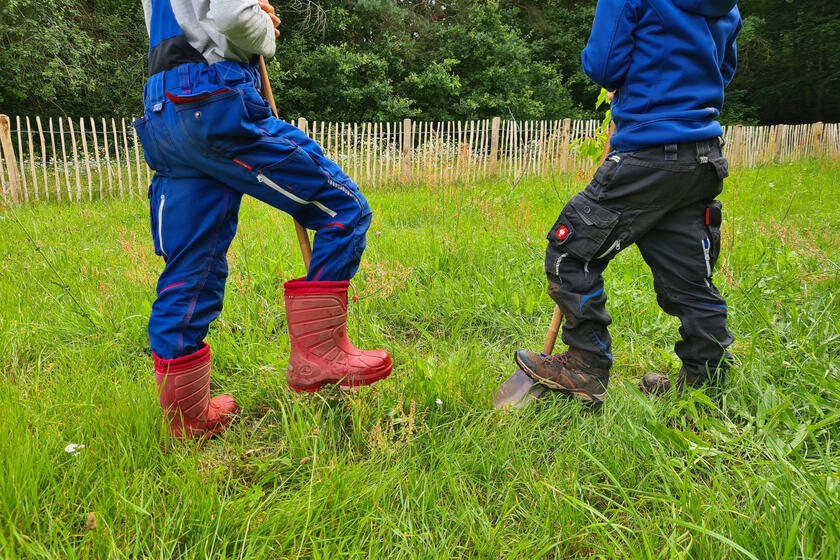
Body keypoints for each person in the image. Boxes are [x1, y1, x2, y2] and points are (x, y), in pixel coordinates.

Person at [136, 0, 392, 440]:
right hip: (214, 100)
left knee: (192, 264)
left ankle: (188, 418)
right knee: (344, 208)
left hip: (163, 109)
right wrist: (264, 27)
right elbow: (232, 17)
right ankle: (320, 354)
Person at [514, 0, 742, 403]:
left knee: (570, 251)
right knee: (688, 277)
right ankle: (706, 380)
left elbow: (603, 66)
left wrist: (637, 84)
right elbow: (722, 70)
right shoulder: (728, 5)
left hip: (647, 153)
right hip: (702, 157)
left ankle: (585, 364)